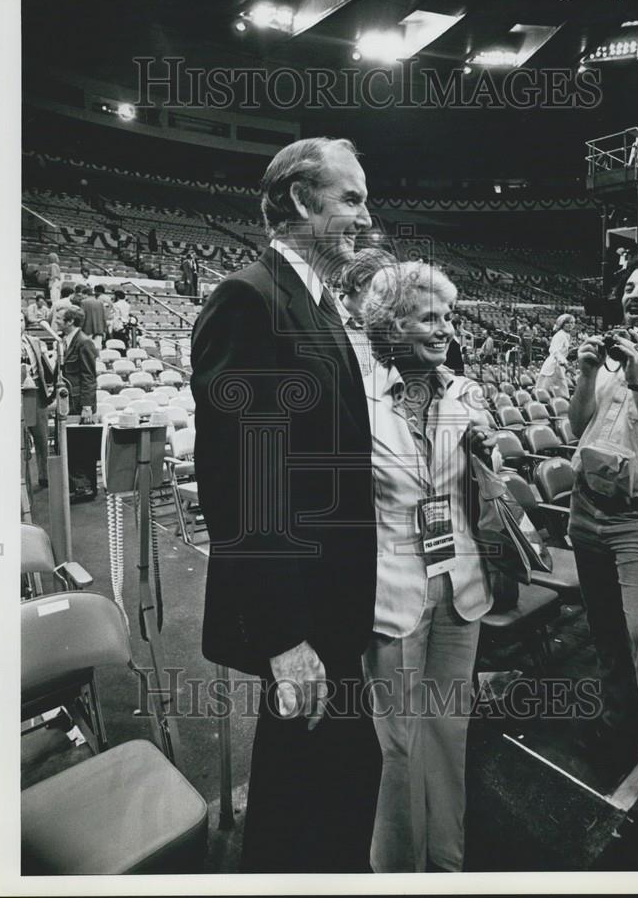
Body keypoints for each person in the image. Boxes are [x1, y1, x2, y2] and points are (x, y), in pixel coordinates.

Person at [191, 137, 381, 873]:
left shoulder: (316, 303)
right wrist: (283, 637)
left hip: (331, 606)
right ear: (301, 200)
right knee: (307, 806)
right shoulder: (251, 299)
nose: (367, 216)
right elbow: (246, 484)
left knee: (323, 792)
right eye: (352, 198)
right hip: (301, 618)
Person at [360, 261, 499, 873]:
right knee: (399, 749)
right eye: (427, 318)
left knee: (450, 733)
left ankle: (447, 865)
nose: (444, 329)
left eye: (447, 317)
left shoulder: (463, 392)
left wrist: (486, 457)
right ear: (391, 327)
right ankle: (398, 874)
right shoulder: (354, 399)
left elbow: (474, 487)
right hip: (391, 594)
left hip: (461, 585)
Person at [568, 255, 638, 867]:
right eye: (630, 286)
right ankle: (619, 727)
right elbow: (576, 425)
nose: (635, 294)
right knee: (606, 630)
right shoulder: (609, 353)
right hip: (588, 509)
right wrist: (588, 374)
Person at [335, 247, 396, 376]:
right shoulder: (321, 319)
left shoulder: (390, 326)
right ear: (359, 282)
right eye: (384, 287)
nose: (391, 296)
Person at [60, 305, 99, 501]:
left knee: (80, 446)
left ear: (70, 322)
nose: (56, 320)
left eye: (59, 318)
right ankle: (81, 486)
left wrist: (87, 407)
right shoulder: (66, 340)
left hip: (79, 403)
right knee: (74, 445)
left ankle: (85, 488)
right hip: (69, 401)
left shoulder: (84, 342)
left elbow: (89, 377)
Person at [21, 312, 55, 489]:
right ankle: (21, 478)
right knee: (21, 440)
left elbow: (44, 367)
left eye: (20, 320)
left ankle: (44, 476)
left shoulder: (33, 341)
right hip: (17, 394)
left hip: (36, 391)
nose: (17, 323)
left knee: (41, 437)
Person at [535, 313, 574, 398]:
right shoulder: (560, 335)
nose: (570, 325)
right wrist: (565, 364)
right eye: (567, 323)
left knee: (558, 392)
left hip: (558, 366)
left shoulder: (566, 335)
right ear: (562, 324)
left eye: (572, 323)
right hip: (554, 365)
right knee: (544, 392)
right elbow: (554, 351)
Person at [80, 284, 107, 350]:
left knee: (87, 350)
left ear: (85, 294)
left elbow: (82, 317)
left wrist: (80, 328)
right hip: (99, 329)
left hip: (87, 329)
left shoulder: (83, 302)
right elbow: (104, 317)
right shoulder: (100, 302)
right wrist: (104, 330)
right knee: (97, 349)